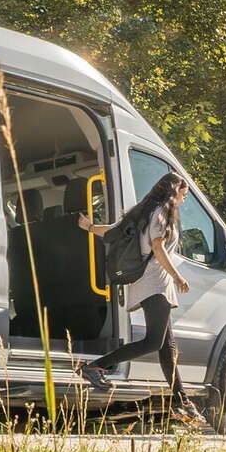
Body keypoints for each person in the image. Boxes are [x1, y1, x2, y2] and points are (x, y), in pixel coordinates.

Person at [78, 171, 190, 399]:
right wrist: (177, 277)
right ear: (173, 191)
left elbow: (112, 231)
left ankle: (181, 401)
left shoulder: (143, 211)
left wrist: (90, 227)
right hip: (155, 284)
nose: (184, 198)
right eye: (183, 193)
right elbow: (157, 247)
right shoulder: (160, 212)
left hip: (149, 284)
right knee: (153, 342)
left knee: (167, 347)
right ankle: (95, 366)